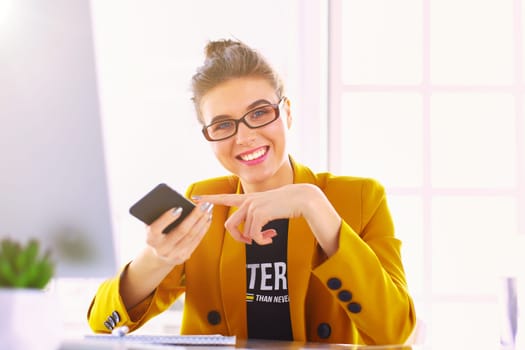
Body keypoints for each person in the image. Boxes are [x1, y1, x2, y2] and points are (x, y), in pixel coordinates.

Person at [87, 39, 416, 345]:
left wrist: (313, 205)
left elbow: (395, 331)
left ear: (287, 112)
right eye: (223, 125)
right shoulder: (204, 205)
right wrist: (157, 258)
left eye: (259, 113)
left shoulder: (358, 198)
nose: (244, 137)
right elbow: (102, 325)